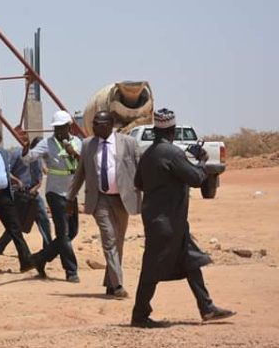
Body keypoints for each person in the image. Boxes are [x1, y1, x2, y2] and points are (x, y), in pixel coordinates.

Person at [131, 108, 235, 327]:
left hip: (166, 222)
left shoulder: (148, 154)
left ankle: (206, 308)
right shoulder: (172, 153)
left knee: (190, 260)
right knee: (151, 268)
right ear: (174, 130)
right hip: (166, 223)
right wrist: (202, 161)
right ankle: (139, 316)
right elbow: (197, 178)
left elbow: (138, 183)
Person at [67, 111, 142, 298]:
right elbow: (80, 174)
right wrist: (70, 198)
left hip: (123, 199)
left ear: (109, 125)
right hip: (99, 199)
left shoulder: (129, 143)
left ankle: (110, 282)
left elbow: (141, 170)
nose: (94, 127)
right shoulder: (87, 145)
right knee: (109, 239)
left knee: (118, 241)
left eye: (98, 124)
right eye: (94, 124)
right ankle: (118, 286)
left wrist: (148, 193)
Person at [22, 110, 82, 283]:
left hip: (71, 193)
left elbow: (84, 163)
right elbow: (29, 158)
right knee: (63, 233)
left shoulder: (77, 142)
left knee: (73, 232)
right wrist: (26, 148)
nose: (58, 132)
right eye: (56, 128)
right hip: (55, 193)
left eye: (62, 128)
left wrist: (73, 152)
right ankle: (71, 271)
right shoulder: (48, 144)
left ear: (69, 127)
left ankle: (39, 258)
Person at [0, 127, 34, 272]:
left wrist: (15, 180)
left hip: (4, 195)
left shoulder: (4, 153)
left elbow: (4, 172)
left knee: (15, 227)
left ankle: (26, 261)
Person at [0, 136, 52, 253]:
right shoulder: (17, 154)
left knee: (43, 219)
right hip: (18, 193)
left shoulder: (39, 159)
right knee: (17, 223)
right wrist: (17, 181)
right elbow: (6, 171)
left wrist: (35, 188)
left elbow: (39, 179)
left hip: (32, 194)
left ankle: (48, 248)